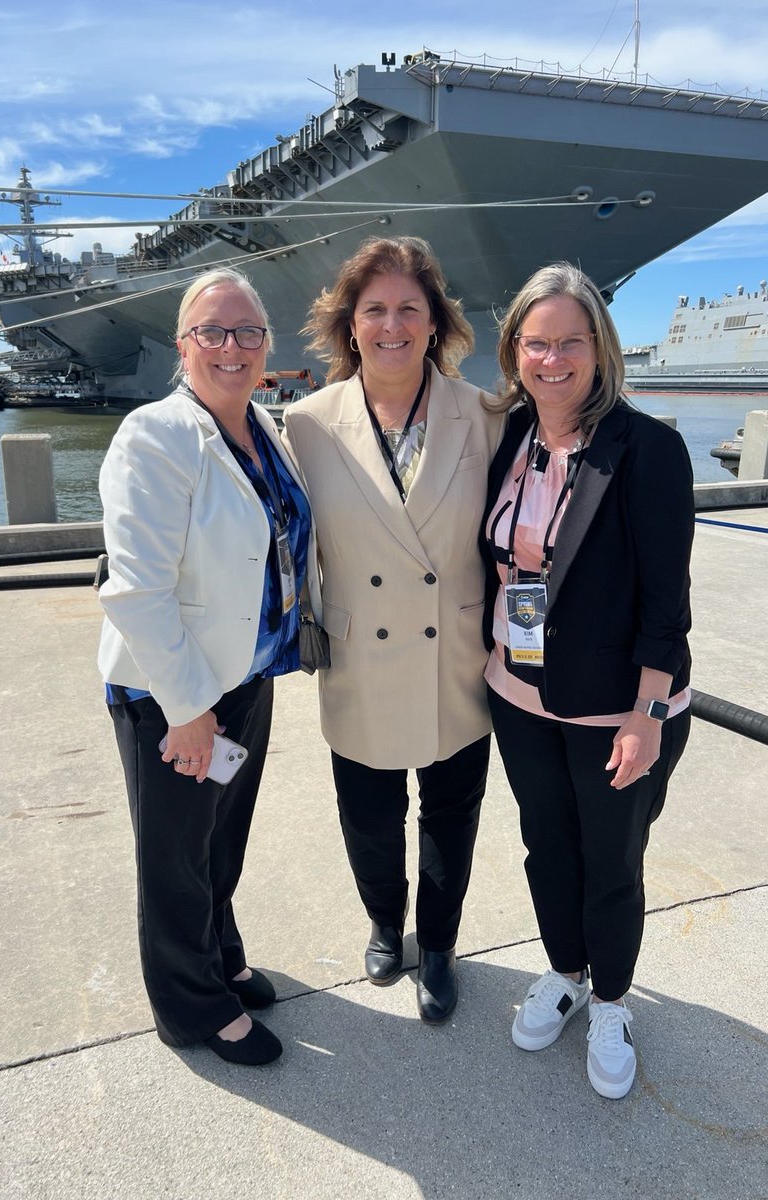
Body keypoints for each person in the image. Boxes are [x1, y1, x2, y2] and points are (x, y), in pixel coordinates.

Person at [480, 262, 693, 1099]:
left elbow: (665, 601)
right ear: (515, 352)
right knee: (547, 847)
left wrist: (646, 712)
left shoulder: (649, 450)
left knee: (613, 859)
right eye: (537, 343)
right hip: (520, 691)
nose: (553, 359)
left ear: (599, 349)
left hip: (618, 705)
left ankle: (610, 1001)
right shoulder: (510, 439)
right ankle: (565, 971)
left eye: (571, 341)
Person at [282, 236, 504, 1024]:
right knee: (369, 815)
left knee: (452, 812)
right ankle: (384, 920)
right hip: (359, 653)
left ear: (437, 322)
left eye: (411, 307)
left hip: (456, 651)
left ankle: (439, 943)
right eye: (374, 308)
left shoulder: (484, 413)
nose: (392, 324)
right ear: (348, 325)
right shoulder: (304, 424)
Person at [97, 267, 316, 1066]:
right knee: (177, 855)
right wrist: (188, 710)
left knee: (221, 838)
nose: (233, 347)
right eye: (213, 332)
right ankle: (191, 1008)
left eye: (249, 332)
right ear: (183, 346)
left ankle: (218, 954)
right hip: (173, 691)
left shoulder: (263, 426)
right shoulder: (155, 436)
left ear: (267, 346)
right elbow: (136, 588)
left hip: (245, 676)